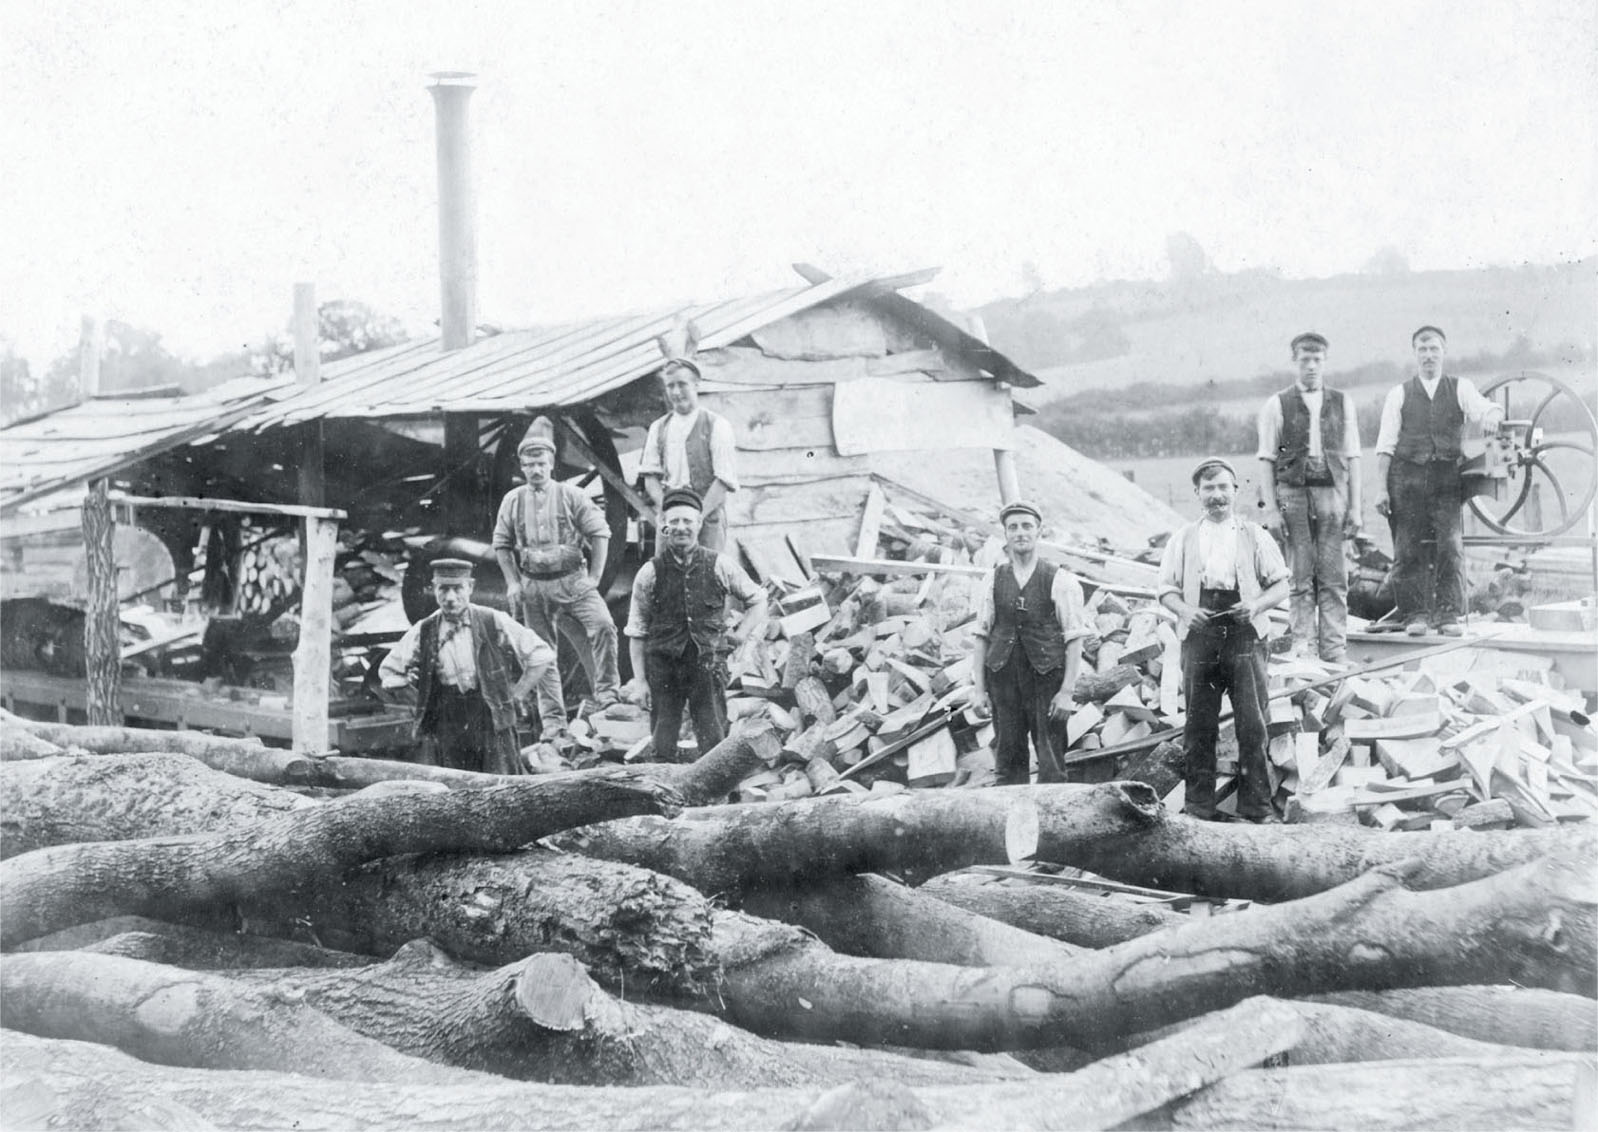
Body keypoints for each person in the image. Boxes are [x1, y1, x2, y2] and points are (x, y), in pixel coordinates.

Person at [1158, 459, 1290, 823]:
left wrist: (1257, 605)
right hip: (1199, 636)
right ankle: (1199, 809)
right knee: (1199, 725)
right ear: (1198, 494)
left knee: (1252, 723)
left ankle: (1257, 807)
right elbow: (1165, 590)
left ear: (1235, 491)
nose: (1217, 495)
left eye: (1223, 488)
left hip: (1245, 634)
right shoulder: (1183, 538)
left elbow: (1281, 584)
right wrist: (1185, 611)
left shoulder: (1255, 535)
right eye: (1209, 488)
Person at [1374, 326, 1505, 636]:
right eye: (1423, 349)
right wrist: (1381, 488)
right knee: (1407, 550)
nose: (1429, 355)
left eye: (1434, 349)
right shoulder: (1400, 393)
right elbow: (1385, 445)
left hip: (1446, 481)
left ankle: (1448, 614)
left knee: (1449, 546)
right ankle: (1414, 615)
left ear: (1443, 352)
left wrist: (1493, 414)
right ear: (1415, 354)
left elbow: (1487, 410)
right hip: (1406, 481)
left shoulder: (1461, 388)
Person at [492, 416, 621, 723]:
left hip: (573, 581)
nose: (535, 470)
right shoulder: (513, 500)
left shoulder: (571, 495)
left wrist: (594, 578)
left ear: (551, 463)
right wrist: (512, 582)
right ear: (521, 467)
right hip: (534, 586)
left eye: (541, 463)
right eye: (529, 464)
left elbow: (600, 532)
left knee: (603, 625)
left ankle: (607, 695)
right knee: (541, 652)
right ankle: (553, 722)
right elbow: (501, 543)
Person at [624, 487, 767, 760]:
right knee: (662, 741)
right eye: (674, 521)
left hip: (707, 667)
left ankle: (718, 798)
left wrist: (739, 634)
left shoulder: (720, 565)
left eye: (688, 521)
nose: (681, 528)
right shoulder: (649, 572)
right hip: (664, 671)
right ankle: (663, 794)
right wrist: (640, 682)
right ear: (664, 525)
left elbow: (758, 600)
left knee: (713, 739)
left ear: (699, 524)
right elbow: (637, 630)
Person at [379, 558, 560, 775]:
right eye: (443, 589)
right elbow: (389, 671)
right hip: (448, 721)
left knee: (502, 782)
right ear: (434, 589)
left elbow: (541, 654)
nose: (450, 598)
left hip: (491, 716)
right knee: (457, 783)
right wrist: (419, 701)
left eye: (457, 588)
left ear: (471, 587)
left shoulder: (493, 619)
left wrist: (519, 693)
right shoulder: (424, 630)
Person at [1256, 331, 1364, 663]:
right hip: (1293, 493)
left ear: (1325, 361)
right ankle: (1302, 645)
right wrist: (1271, 510)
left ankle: (1333, 648)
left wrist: (1356, 508)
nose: (1312, 366)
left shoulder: (1342, 402)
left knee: (1333, 575)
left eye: (1318, 360)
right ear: (1295, 362)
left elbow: (1354, 455)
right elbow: (1266, 459)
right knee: (1299, 574)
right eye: (1305, 360)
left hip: (1333, 492)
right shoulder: (1277, 404)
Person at [968, 501, 1089, 785]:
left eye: (1026, 526)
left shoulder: (1061, 580)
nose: (1020, 533)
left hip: (1046, 680)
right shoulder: (993, 579)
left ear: (1038, 531)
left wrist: (1067, 692)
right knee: (1008, 760)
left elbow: (1074, 639)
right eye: (1013, 527)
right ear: (1005, 534)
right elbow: (981, 636)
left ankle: (1050, 825)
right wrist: (979, 691)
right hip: (1003, 680)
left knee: (1051, 759)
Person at [638, 358, 739, 551]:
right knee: (666, 574)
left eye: (682, 384)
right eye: (670, 386)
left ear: (696, 385)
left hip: (707, 517)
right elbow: (650, 477)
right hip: (671, 517)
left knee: (707, 575)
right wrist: (666, 510)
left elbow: (724, 480)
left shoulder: (717, 426)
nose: (676, 392)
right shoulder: (659, 427)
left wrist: (697, 517)